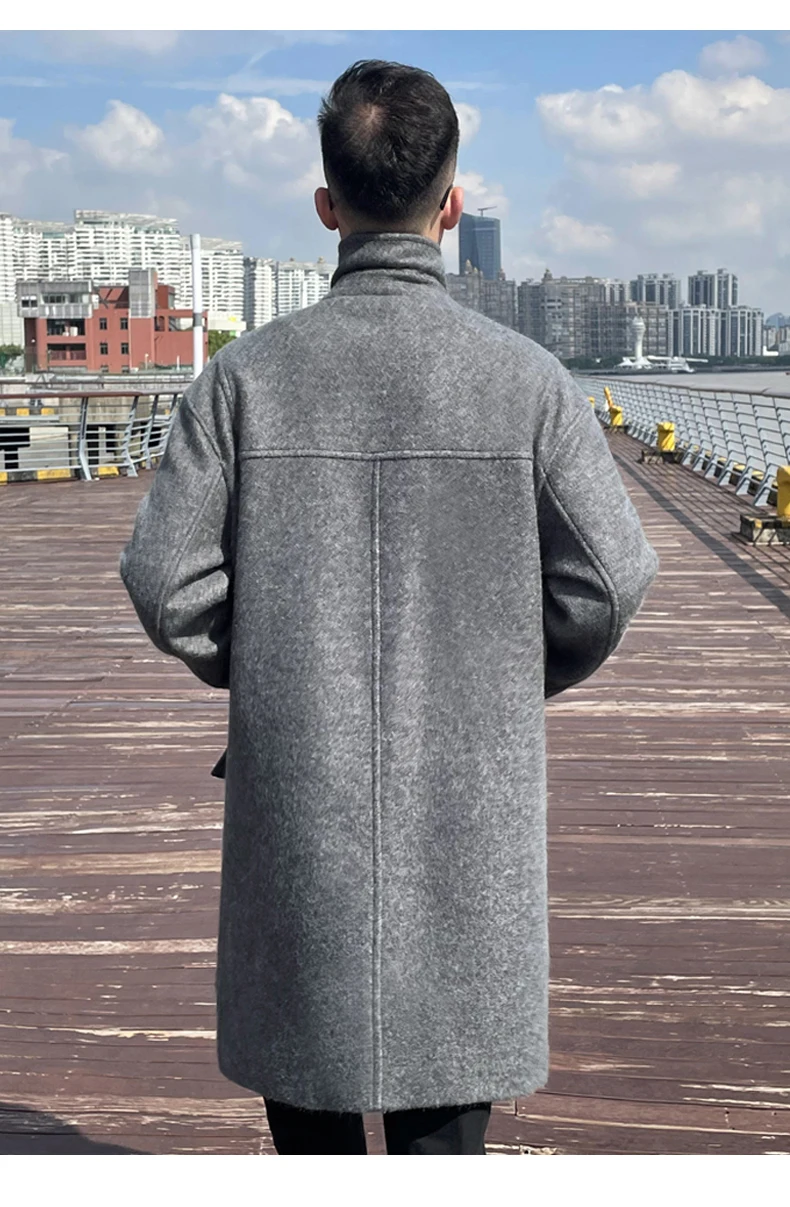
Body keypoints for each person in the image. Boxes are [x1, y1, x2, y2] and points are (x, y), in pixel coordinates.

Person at [119, 59, 659, 1155]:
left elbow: (165, 579)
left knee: (306, 1115)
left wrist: (269, 661)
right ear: (451, 207)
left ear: (328, 206)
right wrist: (507, 671)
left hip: (298, 809)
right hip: (470, 818)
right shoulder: (527, 382)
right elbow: (608, 580)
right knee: (446, 1136)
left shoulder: (243, 381)